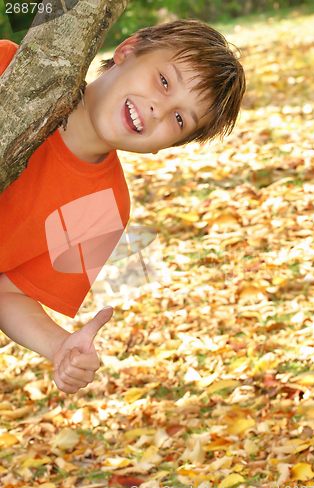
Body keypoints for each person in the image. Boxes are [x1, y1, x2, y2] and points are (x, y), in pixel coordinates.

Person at [0, 20, 246, 394]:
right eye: (164, 81)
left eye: (179, 120)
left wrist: (57, 346)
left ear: (165, 147)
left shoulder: (106, 208)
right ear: (127, 50)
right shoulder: (8, 70)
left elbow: (10, 293)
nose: (158, 110)